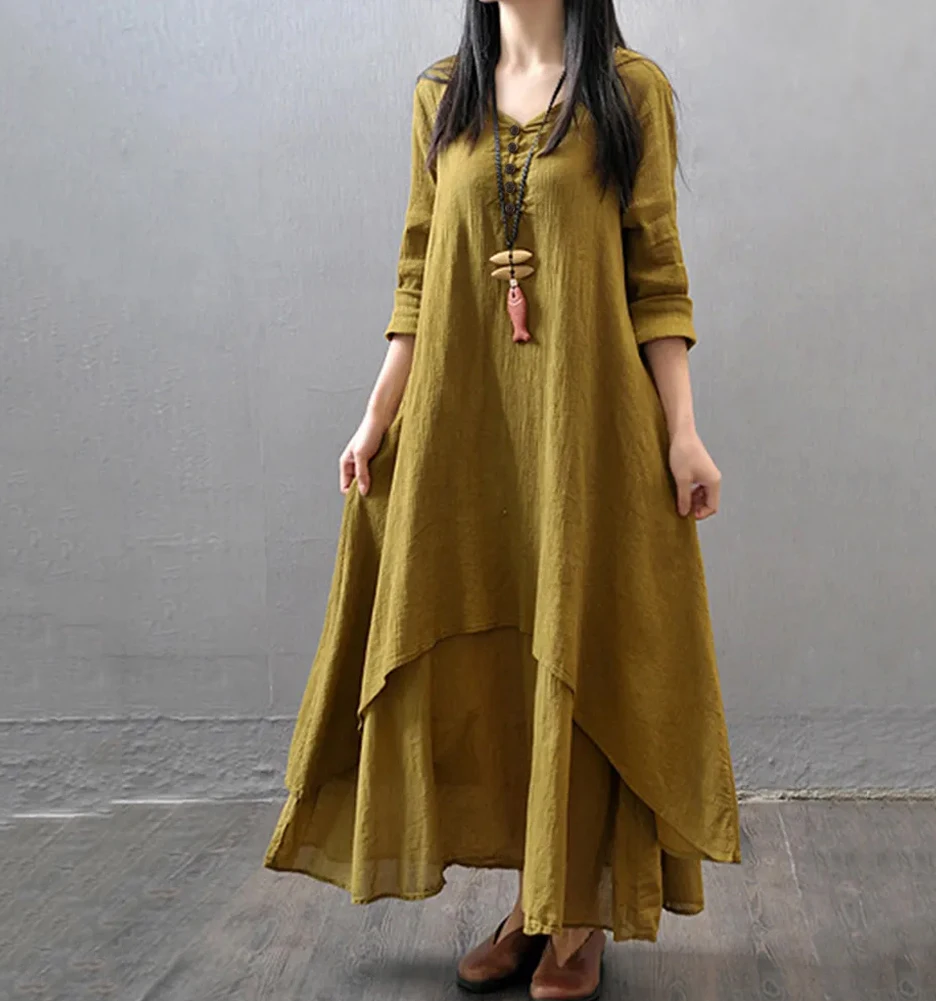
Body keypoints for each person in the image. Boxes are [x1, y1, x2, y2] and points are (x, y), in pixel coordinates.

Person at [263, 1, 742, 997]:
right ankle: (536, 899)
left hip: (584, 427)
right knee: (501, 659)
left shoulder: (630, 92)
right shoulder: (441, 98)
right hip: (466, 424)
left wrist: (683, 431)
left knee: (577, 642)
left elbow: (656, 274)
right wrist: (375, 417)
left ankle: (575, 918)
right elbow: (416, 273)